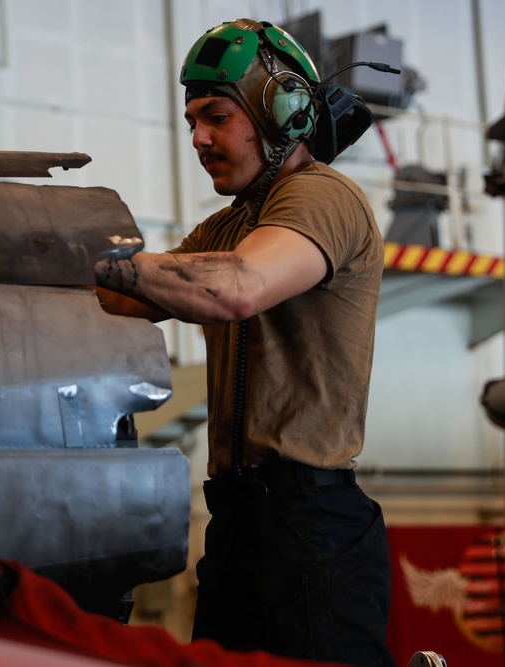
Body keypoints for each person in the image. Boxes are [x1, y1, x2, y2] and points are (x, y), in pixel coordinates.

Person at [94, 18, 396, 667]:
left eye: (216, 115)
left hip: (310, 530)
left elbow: (235, 287)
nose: (199, 138)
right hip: (239, 526)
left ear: (281, 108)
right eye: (190, 121)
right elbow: (127, 296)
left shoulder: (323, 198)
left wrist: (97, 259)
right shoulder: (230, 224)